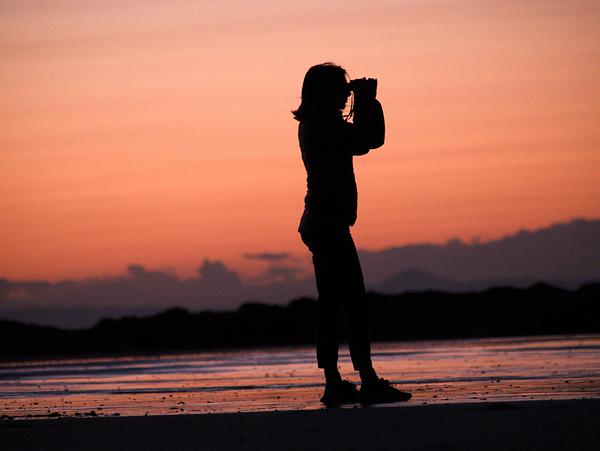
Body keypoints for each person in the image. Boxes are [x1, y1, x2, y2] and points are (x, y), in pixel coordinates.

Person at [293, 62, 412, 405]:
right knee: (353, 303)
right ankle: (367, 380)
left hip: (321, 221)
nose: (347, 92)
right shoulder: (323, 125)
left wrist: (363, 102)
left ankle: (335, 382)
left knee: (332, 303)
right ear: (325, 91)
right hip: (327, 222)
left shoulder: (316, 124)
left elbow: (360, 141)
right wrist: (368, 102)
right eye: (342, 87)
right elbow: (368, 140)